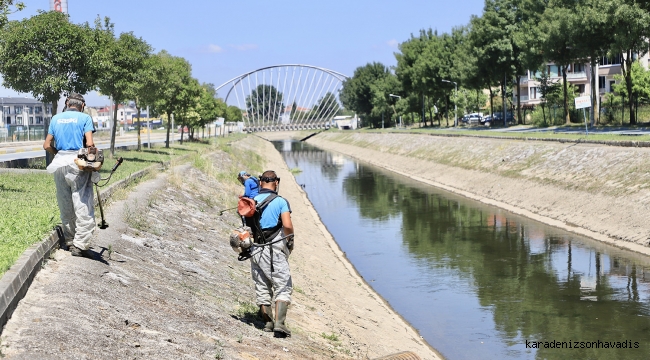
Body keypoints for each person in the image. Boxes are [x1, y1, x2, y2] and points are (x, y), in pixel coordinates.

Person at [43, 93, 97, 259]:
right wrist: (93, 161)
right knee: (82, 202)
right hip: (77, 162)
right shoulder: (85, 118)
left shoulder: (56, 119)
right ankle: (80, 245)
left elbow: (46, 145)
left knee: (65, 203)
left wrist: (58, 152)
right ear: (82, 105)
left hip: (59, 164)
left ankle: (69, 240)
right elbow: (89, 144)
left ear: (67, 104)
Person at [250, 170, 294, 337]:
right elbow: (287, 225)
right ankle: (280, 324)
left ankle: (267, 322)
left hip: (255, 248)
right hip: (275, 248)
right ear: (276, 182)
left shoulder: (251, 201)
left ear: (261, 182)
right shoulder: (281, 201)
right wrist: (290, 241)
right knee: (283, 285)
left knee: (261, 285)